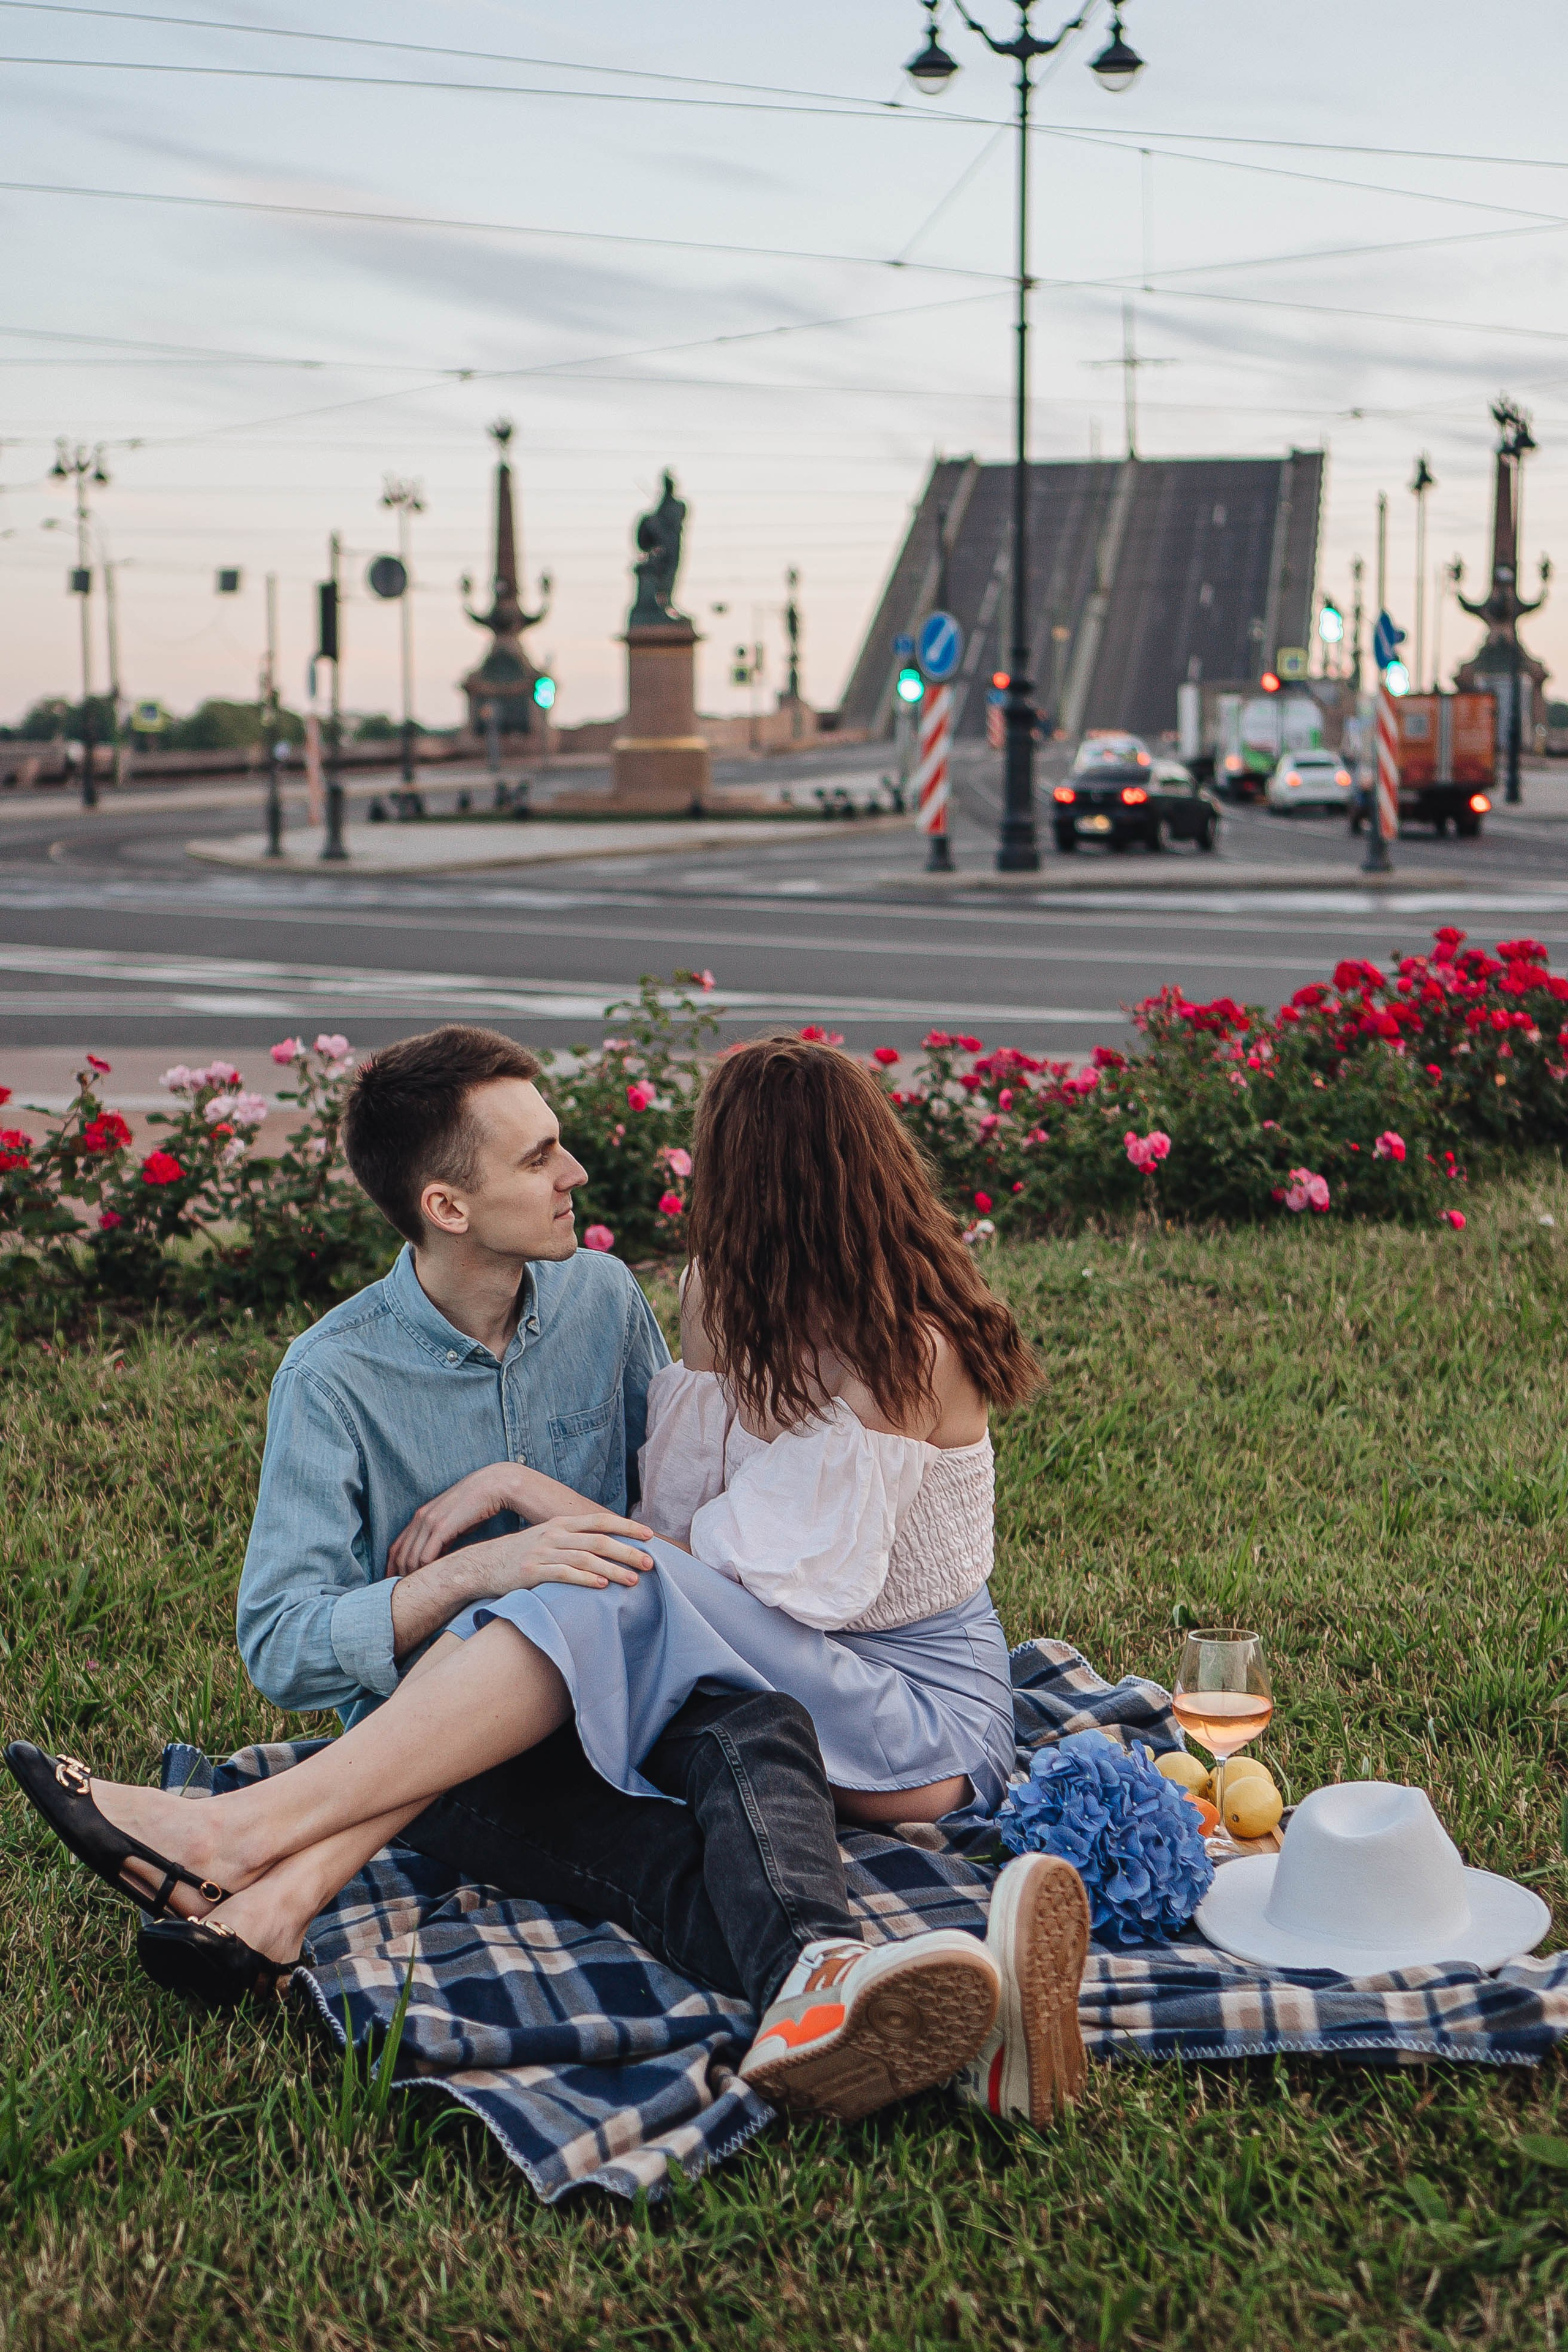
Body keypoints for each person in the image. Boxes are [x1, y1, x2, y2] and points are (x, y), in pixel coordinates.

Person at [8, 1027, 1088, 2126]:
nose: (577, 1173)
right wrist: (478, 1572)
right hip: (500, 1719)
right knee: (665, 1766)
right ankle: (874, 2003)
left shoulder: (673, 1313)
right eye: (539, 1157)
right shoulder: (338, 1377)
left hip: (872, 1704)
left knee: (638, 1627)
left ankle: (247, 1838)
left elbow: (701, 1573)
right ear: (447, 1206)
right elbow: (287, 1647)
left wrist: (518, 1495)